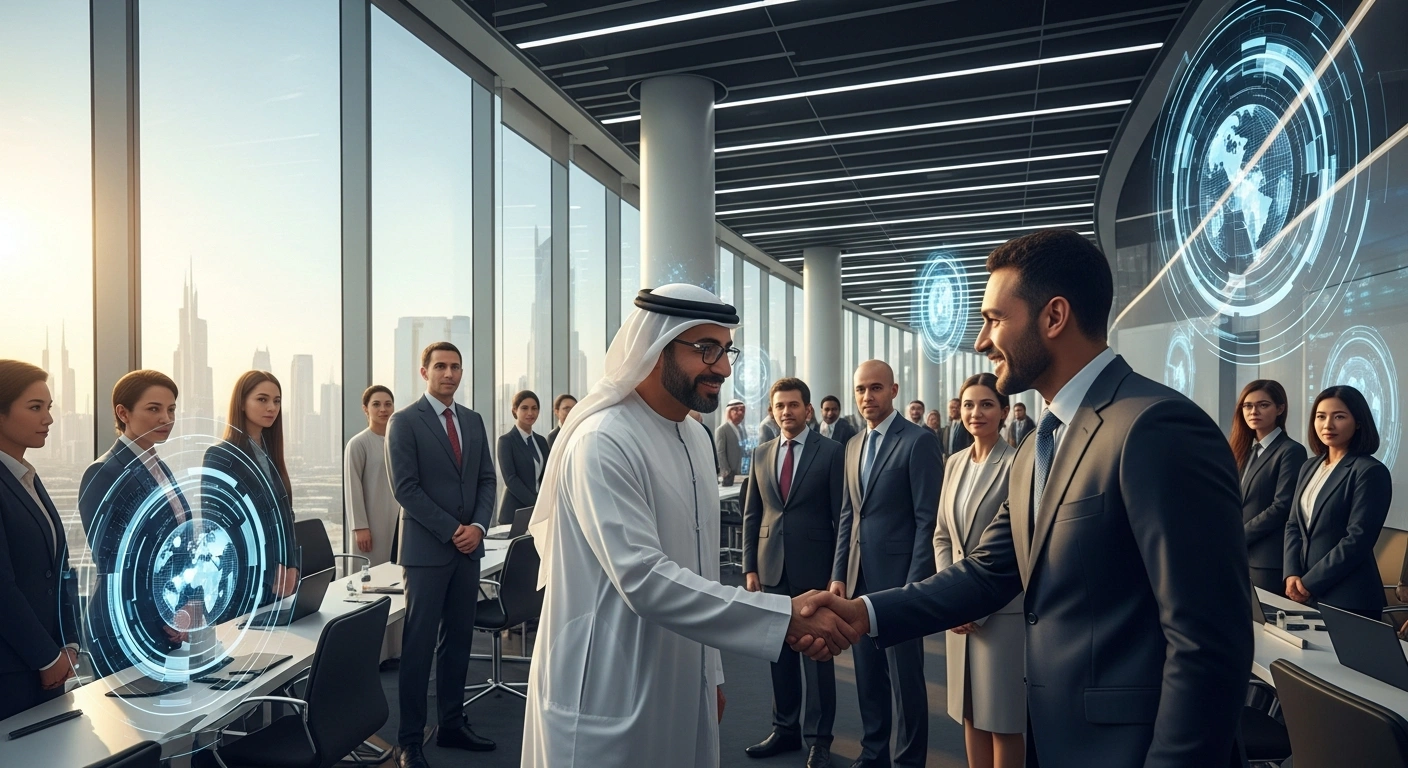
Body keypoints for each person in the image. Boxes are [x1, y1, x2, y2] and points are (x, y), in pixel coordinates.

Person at [794, 229, 1253, 768]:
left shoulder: (1156, 427)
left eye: (994, 319)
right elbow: (987, 572)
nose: (982, 341)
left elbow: (1208, 643)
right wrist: (863, 612)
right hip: (1050, 737)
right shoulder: (1038, 445)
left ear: (1053, 317)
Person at [521, 285, 859, 768]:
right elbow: (644, 578)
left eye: (726, 351)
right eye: (706, 350)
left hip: (685, 677)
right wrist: (783, 615)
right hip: (606, 684)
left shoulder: (695, 437)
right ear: (658, 350)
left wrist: (713, 674)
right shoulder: (603, 440)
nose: (722, 367)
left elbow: (698, 568)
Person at [387, 342, 497, 767]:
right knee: (418, 647)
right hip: (427, 550)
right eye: (440, 366)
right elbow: (405, 488)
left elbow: (487, 480)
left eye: (455, 367)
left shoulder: (472, 421)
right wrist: (454, 530)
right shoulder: (404, 422)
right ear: (424, 371)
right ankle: (409, 740)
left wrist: (479, 528)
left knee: (459, 641)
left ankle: (452, 724)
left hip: (469, 549)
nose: (449, 373)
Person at [830, 359, 941, 768]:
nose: (866, 397)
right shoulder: (853, 445)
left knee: (905, 680)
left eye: (875, 388)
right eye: (860, 389)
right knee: (868, 676)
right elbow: (848, 514)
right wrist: (838, 574)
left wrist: (913, 587)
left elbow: (927, 519)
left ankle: (908, 760)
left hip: (899, 584)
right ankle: (873, 752)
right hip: (858, 579)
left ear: (893, 391)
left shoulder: (918, 441)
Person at [742, 377, 845, 768]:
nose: (786, 412)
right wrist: (749, 566)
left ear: (808, 410)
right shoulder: (763, 451)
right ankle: (784, 730)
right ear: (773, 411)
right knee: (778, 652)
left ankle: (819, 740)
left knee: (818, 656)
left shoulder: (832, 452)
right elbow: (753, 512)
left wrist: (838, 573)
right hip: (771, 568)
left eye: (794, 405)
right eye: (780, 406)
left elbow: (841, 518)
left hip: (815, 571)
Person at [934, 373, 1024, 768]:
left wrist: (975, 604)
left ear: (1004, 411)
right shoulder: (953, 463)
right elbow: (941, 536)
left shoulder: (1018, 464)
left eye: (986, 404)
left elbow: (1021, 547)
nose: (976, 412)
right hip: (960, 611)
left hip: (1000, 613)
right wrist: (952, 598)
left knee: (1003, 720)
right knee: (969, 712)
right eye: (969, 404)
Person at [80, 370, 191, 677]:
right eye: (153, 409)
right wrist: (167, 611)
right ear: (123, 413)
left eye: (171, 410)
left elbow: (180, 544)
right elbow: (117, 562)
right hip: (124, 627)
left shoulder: (158, 466)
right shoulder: (104, 473)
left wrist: (184, 605)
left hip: (164, 623)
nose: (165, 418)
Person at [0, 360, 80, 721]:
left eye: (48, 408)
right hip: (12, 671)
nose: (47, 419)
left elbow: (60, 570)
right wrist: (47, 657)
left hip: (49, 664)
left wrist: (70, 643)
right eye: (35, 408)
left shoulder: (28, 478)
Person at [1284, 385, 1392, 620]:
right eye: (1321, 416)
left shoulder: (1370, 471)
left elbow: (1358, 540)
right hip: (1306, 591)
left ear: (1359, 422)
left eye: (1339, 417)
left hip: (1349, 598)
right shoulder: (1309, 466)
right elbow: (1293, 524)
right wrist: (1291, 573)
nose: (1327, 425)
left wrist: (1310, 582)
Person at [203, 371, 298, 621]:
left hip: (279, 583)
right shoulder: (220, 456)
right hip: (243, 583)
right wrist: (269, 572)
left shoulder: (271, 454)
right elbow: (221, 529)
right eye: (262, 399)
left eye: (277, 401)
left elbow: (286, 518)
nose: (271, 407)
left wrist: (293, 566)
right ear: (242, 404)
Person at [1231, 380, 1306, 594]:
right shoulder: (1244, 450)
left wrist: (1238, 535)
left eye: (1263, 405)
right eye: (1248, 406)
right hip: (1238, 555)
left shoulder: (1290, 451)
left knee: (1265, 625)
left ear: (1280, 409)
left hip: (1267, 560)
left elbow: (1282, 507)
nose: (1253, 411)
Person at [346, 385, 399, 567]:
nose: (383, 409)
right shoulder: (358, 444)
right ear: (365, 409)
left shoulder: (400, 442)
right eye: (376, 404)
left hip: (398, 521)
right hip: (370, 526)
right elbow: (353, 488)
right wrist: (360, 527)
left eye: (388, 404)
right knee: (369, 579)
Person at [715, 398, 747, 483]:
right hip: (729, 475)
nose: (740, 413)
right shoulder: (722, 430)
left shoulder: (742, 430)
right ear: (729, 412)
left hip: (741, 472)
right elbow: (720, 452)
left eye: (742, 411)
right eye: (736, 410)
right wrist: (726, 472)